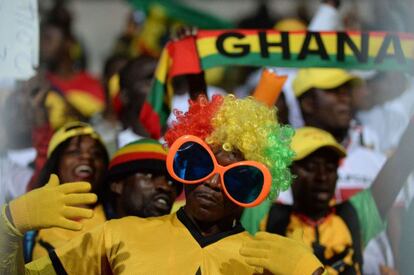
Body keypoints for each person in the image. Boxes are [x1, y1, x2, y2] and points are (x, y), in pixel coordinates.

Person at [1, 95, 325, 274]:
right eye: (200, 162)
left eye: (237, 177)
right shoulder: (116, 236)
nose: (213, 181)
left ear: (256, 189)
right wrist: (9, 226)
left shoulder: (270, 260)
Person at [243, 125, 414, 274]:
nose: (322, 176)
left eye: (330, 167)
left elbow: (401, 163)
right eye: (310, 167)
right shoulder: (265, 216)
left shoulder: (354, 215)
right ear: (287, 172)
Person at [104, 138, 183, 219]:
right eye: (150, 175)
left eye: (172, 182)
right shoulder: (93, 230)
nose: (165, 187)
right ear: (117, 184)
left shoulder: (185, 231)